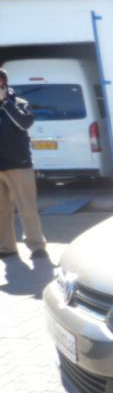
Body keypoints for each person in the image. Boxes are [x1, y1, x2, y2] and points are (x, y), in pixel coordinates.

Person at [0, 67, 47, 260]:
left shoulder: (19, 103)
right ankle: (6, 246)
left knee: (26, 207)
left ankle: (37, 247)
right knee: (1, 209)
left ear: (3, 82)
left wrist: (4, 103)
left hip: (19, 164)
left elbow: (24, 123)